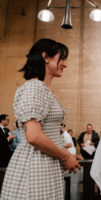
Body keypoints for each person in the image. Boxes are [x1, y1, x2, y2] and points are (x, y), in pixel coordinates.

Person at [0, 39, 81, 200]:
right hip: (35, 164)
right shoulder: (34, 88)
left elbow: (47, 133)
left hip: (46, 163)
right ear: (45, 57)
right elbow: (34, 136)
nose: (65, 64)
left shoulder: (44, 89)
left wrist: (67, 154)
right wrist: (65, 156)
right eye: (62, 58)